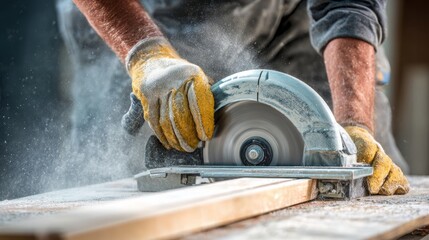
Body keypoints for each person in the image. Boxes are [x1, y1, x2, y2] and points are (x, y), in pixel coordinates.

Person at [71, 0, 409, 195]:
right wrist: (146, 53)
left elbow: (348, 5)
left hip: (297, 12)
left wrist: (355, 122)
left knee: (364, 175)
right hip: (151, 12)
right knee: (131, 177)